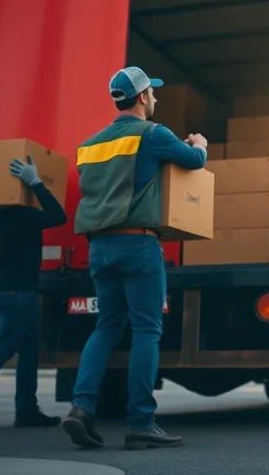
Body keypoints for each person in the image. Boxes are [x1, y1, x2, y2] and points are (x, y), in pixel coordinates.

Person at [62, 66, 207, 450]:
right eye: (153, 94)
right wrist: (201, 144)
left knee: (106, 328)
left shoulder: (90, 145)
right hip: (138, 244)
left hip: (99, 248)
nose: (155, 99)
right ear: (143, 97)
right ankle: (140, 422)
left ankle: (81, 409)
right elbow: (193, 162)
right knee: (146, 332)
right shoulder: (153, 133)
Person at [0, 155, 67, 428]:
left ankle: (26, 409)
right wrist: (37, 183)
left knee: (29, 349)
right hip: (18, 291)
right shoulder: (23, 216)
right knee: (6, 344)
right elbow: (58, 216)